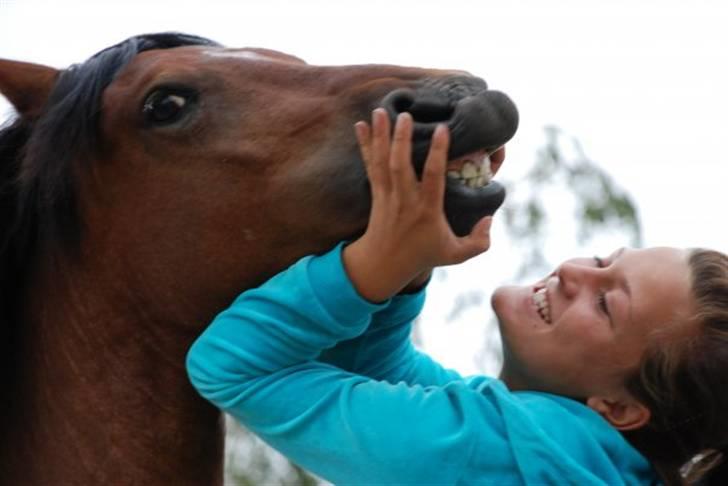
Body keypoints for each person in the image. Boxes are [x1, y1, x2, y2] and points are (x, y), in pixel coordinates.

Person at [187, 109, 728, 485]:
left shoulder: (502, 453)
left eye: (606, 304)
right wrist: (410, 255)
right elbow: (374, 371)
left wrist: (382, 261)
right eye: (604, 263)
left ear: (618, 408)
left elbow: (231, 367)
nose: (570, 271)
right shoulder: (559, 453)